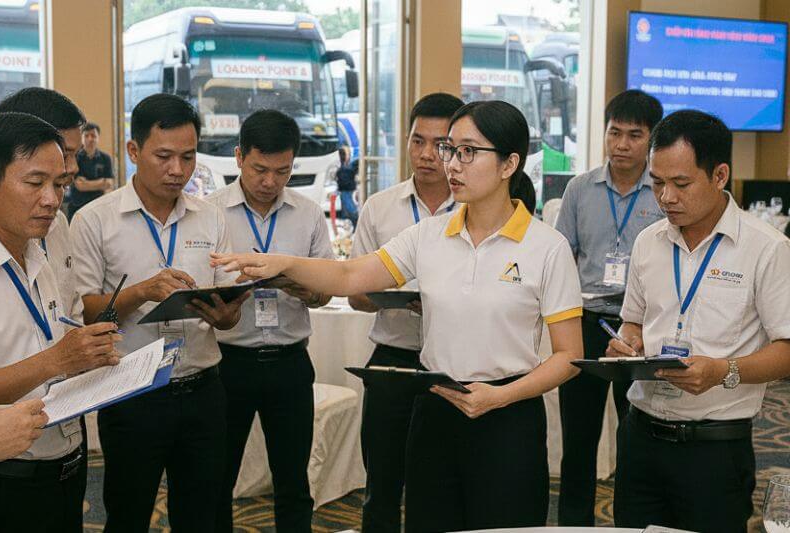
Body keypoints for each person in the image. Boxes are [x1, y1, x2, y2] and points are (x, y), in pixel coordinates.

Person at [212, 100, 583, 532]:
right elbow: (351, 274)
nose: (452, 165)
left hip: (508, 415)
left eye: (468, 152)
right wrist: (283, 263)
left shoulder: (546, 247)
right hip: (436, 407)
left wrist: (501, 397)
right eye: (451, 150)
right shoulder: (430, 235)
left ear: (508, 164)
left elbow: (568, 355)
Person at [606, 110, 790, 532]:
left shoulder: (766, 249)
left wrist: (724, 371)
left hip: (715, 450)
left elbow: (787, 349)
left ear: (720, 174)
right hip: (640, 441)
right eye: (656, 182)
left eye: (681, 183)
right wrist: (627, 343)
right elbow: (632, 321)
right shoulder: (648, 242)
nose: (666, 196)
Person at [71, 94, 247, 532]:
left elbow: (225, 305)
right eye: (164, 156)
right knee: (128, 513)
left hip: (204, 389)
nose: (178, 170)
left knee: (202, 515)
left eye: (188, 157)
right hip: (132, 394)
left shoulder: (210, 218)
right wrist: (141, 292)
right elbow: (87, 312)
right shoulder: (96, 220)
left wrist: (226, 316)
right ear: (134, 152)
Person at [0, 112, 120, 532]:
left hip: (62, 462)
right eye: (34, 183)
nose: (51, 199)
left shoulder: (37, 253)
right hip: (5, 475)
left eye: (59, 184)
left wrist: (81, 357)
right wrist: (57, 360)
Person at [208, 109, 333, 532]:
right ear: (239, 156)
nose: (270, 181)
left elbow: (326, 289)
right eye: (260, 169)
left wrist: (306, 287)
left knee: (293, 481)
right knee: (216, 480)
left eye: (282, 171)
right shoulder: (209, 212)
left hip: (290, 363)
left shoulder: (308, 213)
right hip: (227, 363)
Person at [347, 91, 463, 533]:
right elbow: (356, 295)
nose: (427, 155)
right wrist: (391, 293)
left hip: (452, 363)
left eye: (441, 144)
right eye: (418, 141)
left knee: (439, 486)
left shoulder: (474, 207)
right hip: (393, 359)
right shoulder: (380, 207)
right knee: (383, 482)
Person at [554, 89, 664, 526]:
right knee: (577, 437)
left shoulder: (663, 191)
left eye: (634, 135)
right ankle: (574, 525)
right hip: (586, 322)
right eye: (614, 132)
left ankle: (630, 524)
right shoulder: (580, 189)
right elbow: (561, 257)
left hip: (640, 326)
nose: (621, 144)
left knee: (634, 432)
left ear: (652, 140)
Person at [0, 87, 87, 319]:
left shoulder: (58, 223)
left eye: (77, 154)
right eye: (65, 153)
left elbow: (72, 309)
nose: (74, 167)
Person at [67, 122, 114, 221]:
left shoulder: (106, 158)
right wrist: (101, 182)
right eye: (86, 136)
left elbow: (109, 183)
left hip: (99, 207)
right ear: (82, 138)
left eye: (93, 136)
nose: (90, 139)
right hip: (77, 207)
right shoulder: (75, 157)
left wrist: (87, 183)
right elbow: (79, 185)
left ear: (98, 138)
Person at [336, 146, 359, 226]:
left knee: (348, 209)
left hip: (345, 191)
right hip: (347, 191)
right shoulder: (347, 169)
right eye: (348, 154)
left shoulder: (344, 168)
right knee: (351, 209)